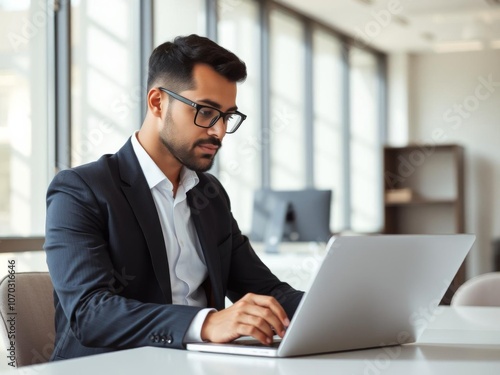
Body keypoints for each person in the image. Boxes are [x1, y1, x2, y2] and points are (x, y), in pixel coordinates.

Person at [44, 34, 304, 361]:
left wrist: (338, 309)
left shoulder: (210, 195)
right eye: (207, 112)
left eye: (227, 116)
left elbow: (266, 290)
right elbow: (90, 312)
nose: (219, 131)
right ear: (157, 102)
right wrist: (207, 322)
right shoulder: (80, 190)